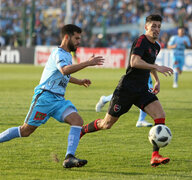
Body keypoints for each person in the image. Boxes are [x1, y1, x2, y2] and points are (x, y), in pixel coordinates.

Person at [0, 24, 105, 168]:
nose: (79, 41)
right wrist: (87, 63)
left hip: (58, 100)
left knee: (77, 120)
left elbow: (63, 75)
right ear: (67, 37)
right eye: (76, 38)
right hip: (45, 98)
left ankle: (69, 157)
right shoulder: (58, 53)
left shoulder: (67, 55)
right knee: (25, 131)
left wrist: (79, 81)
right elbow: (64, 70)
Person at [80, 14, 173, 167]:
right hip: (126, 89)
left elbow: (149, 63)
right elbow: (135, 62)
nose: (156, 29)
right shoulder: (141, 40)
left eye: (159, 27)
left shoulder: (156, 46)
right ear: (146, 27)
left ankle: (155, 156)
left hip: (142, 89)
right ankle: (82, 130)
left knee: (160, 115)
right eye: (153, 26)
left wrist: (156, 79)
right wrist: (156, 67)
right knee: (106, 124)